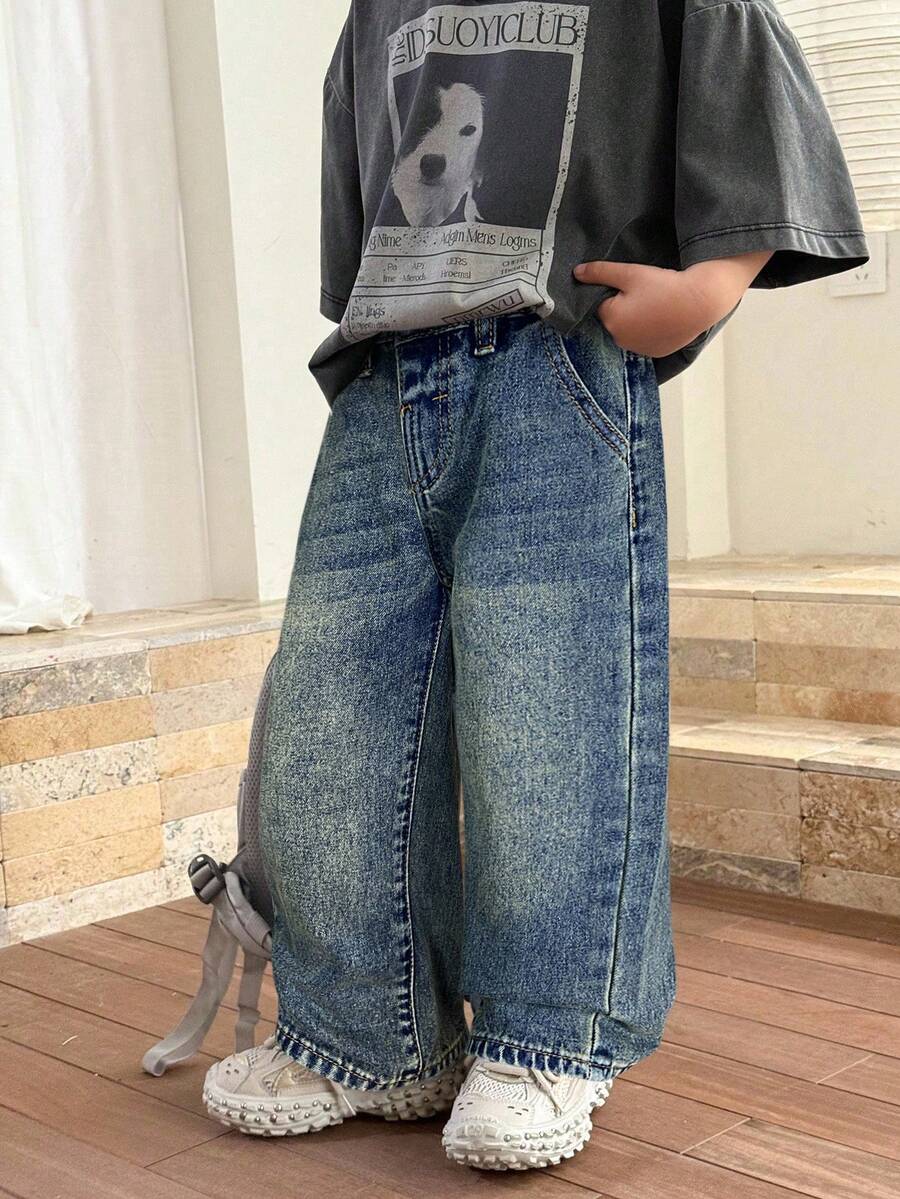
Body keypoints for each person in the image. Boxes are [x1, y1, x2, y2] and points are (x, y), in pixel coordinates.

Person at [202, 0, 867, 1173]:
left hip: (556, 356)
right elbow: (356, 155)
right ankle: (366, 1031)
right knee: (333, 710)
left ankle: (545, 1036)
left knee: (549, 708)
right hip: (385, 373)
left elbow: (740, 60)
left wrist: (716, 277)